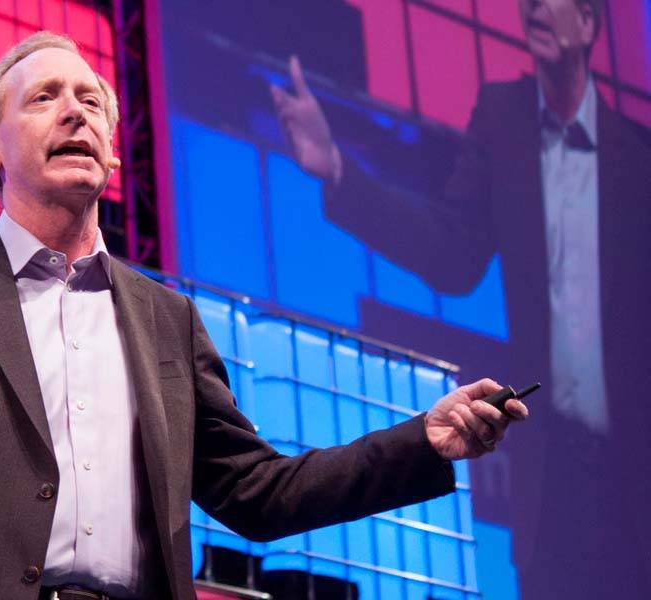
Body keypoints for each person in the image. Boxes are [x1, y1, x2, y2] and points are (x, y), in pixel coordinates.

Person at [0, 32, 527, 600]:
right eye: (45, 97)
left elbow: (258, 494)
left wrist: (425, 442)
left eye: (90, 101)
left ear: (114, 155)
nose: (76, 111)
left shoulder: (168, 321)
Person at [271, 0, 650, 597]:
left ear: (588, 23)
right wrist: (337, 168)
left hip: (636, 476)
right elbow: (453, 256)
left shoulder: (637, 157)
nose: (533, 8)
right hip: (552, 482)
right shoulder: (504, 120)